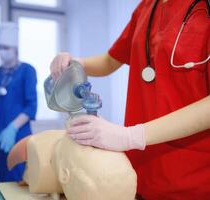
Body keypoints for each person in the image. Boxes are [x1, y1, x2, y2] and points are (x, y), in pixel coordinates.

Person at [49, 0, 210, 199]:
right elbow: (110, 61)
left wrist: (131, 136)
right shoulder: (147, 7)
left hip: (192, 181)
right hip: (137, 177)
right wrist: (76, 63)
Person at [0, 22, 37, 182]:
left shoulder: (27, 71)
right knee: (3, 181)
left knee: (19, 183)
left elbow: (31, 105)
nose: (2, 51)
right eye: (0, 47)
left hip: (19, 135)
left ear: (15, 49)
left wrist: (13, 128)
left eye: (6, 47)